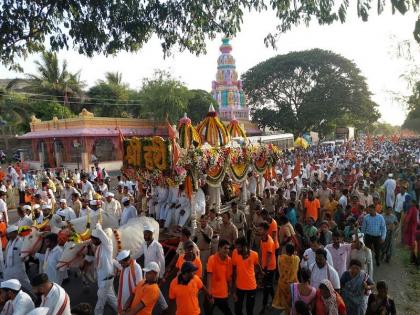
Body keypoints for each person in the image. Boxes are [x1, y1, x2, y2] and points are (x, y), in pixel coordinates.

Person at [90, 223, 118, 314]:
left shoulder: (107, 245)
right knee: (113, 300)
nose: (92, 241)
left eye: (94, 239)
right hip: (102, 279)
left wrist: (98, 226)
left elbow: (102, 235)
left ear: (99, 239)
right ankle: (122, 312)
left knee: (100, 304)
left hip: (106, 279)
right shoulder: (99, 247)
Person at [232, 237, 261, 315]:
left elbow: (257, 264)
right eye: (236, 247)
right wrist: (234, 291)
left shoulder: (254, 254)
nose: (237, 249)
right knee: (237, 310)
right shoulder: (235, 252)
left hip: (251, 287)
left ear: (245, 246)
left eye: (239, 248)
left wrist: (260, 276)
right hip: (239, 287)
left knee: (249, 310)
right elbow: (234, 272)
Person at [207, 239, 233, 315]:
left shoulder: (229, 260)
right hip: (212, 294)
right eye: (225, 248)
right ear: (219, 248)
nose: (227, 250)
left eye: (228, 248)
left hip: (223, 294)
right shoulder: (212, 259)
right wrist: (209, 293)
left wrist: (230, 290)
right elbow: (209, 276)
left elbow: (229, 277)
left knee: (228, 312)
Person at [272, 243, 300, 313]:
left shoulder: (281, 258)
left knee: (285, 304)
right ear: (293, 251)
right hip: (293, 284)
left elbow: (278, 258)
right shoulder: (296, 259)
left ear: (286, 251)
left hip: (283, 283)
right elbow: (297, 259)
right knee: (292, 303)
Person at [4, 225, 31, 291]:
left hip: (18, 268)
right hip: (9, 269)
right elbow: (6, 254)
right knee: (8, 284)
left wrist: (25, 258)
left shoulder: (21, 242)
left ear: (15, 233)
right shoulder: (9, 243)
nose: (8, 235)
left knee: (24, 283)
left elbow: (26, 254)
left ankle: (32, 295)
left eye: (10, 234)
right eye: (8, 234)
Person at [258, 222, 276, 313]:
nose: (259, 230)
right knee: (269, 286)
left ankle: (264, 306)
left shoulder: (270, 241)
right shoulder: (262, 239)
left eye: (260, 229)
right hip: (265, 266)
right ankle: (275, 299)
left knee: (266, 288)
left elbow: (268, 257)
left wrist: (264, 270)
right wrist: (260, 263)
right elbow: (261, 251)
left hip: (270, 267)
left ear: (265, 230)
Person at [402, 198, 419, 263]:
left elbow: (408, 217)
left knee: (411, 235)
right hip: (413, 224)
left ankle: (411, 247)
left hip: (411, 224)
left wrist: (405, 223)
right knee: (412, 235)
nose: (410, 203)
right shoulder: (415, 209)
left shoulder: (412, 209)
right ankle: (411, 247)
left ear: (414, 203)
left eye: (411, 202)